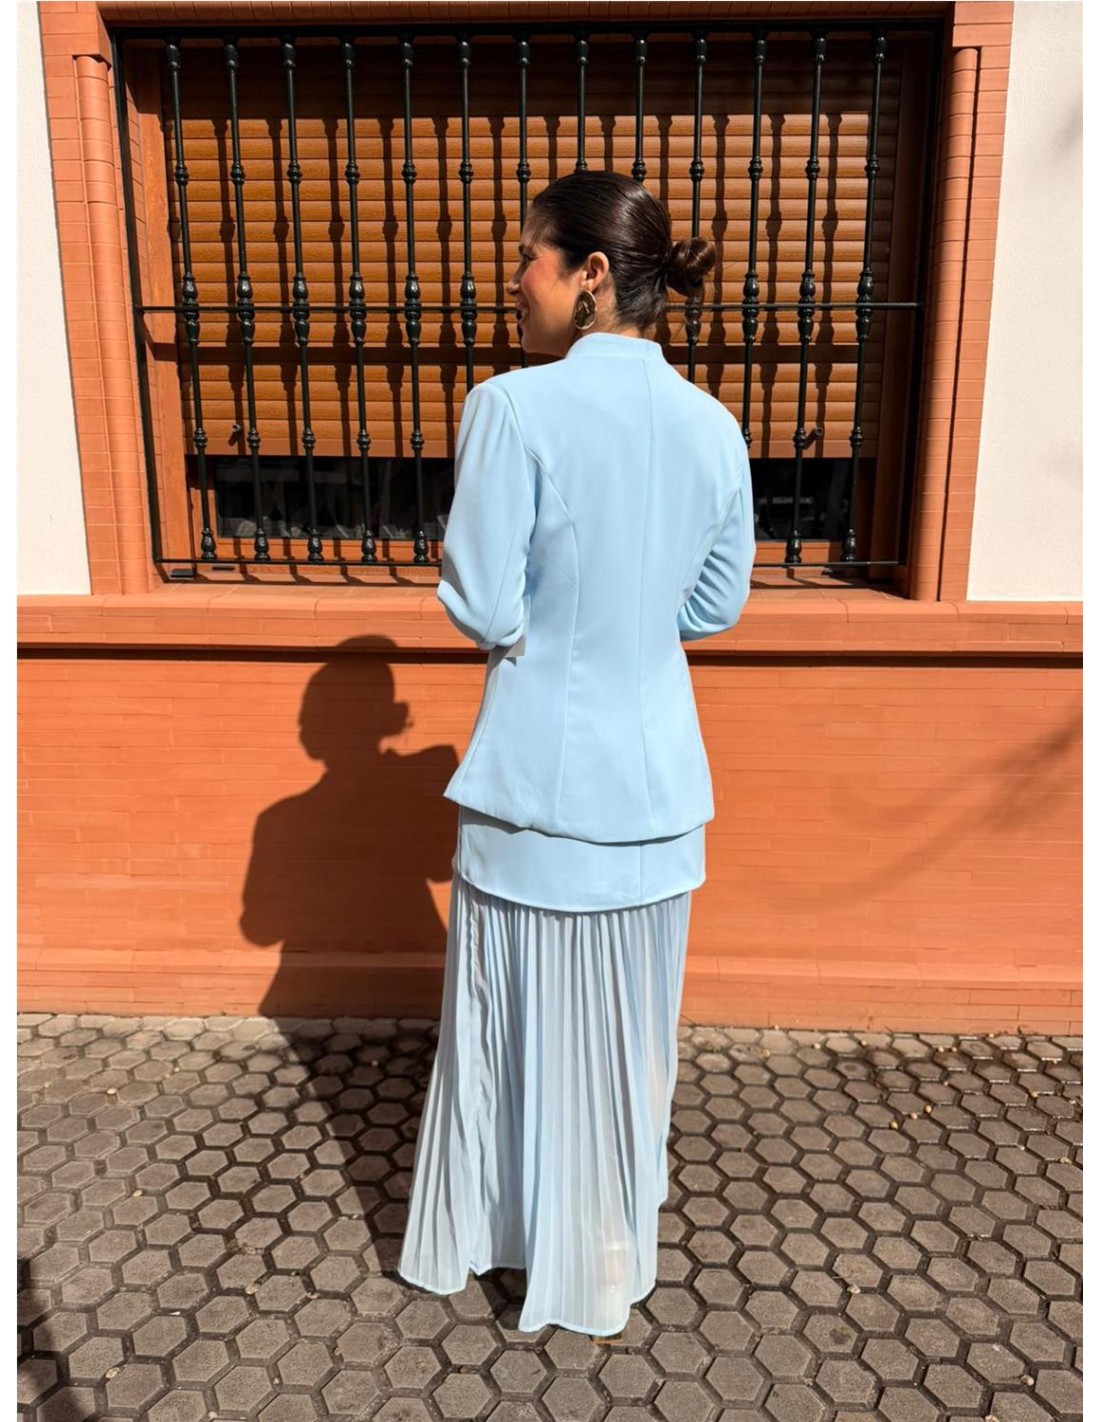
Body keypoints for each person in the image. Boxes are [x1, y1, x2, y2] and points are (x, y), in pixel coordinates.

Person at [396, 170, 755, 1339]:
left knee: (515, 1031)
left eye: (529, 257)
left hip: (534, 792)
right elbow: (714, 605)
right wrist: (628, 619)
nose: (514, 280)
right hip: (656, 795)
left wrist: (540, 627)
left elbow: (482, 605)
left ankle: (507, 1236)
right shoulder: (712, 425)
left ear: (590, 273)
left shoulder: (511, 407)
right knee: (622, 1043)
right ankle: (600, 1246)